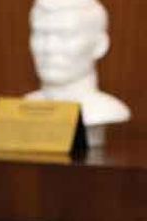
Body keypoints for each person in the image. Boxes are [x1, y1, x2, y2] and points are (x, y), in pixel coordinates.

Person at [26, 0, 131, 146]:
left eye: (65, 36)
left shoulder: (103, 111)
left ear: (100, 45)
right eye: (41, 34)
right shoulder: (25, 107)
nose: (49, 48)